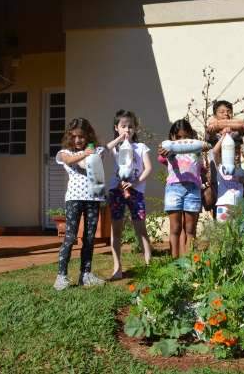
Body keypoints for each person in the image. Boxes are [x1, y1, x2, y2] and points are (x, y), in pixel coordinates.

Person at [53, 118, 106, 290]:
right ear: (69, 136)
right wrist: (85, 153)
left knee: (89, 238)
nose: (77, 140)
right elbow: (69, 160)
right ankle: (61, 276)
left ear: (88, 136)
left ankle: (86, 274)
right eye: (74, 136)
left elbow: (97, 158)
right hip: (74, 199)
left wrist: (90, 151)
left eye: (81, 137)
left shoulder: (96, 150)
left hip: (93, 199)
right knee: (70, 237)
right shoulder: (63, 153)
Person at [107, 110, 152, 280]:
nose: (127, 130)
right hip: (116, 191)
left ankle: (149, 264)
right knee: (116, 229)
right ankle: (117, 267)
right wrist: (120, 139)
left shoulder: (140, 147)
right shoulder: (115, 148)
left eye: (131, 126)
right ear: (116, 128)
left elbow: (148, 168)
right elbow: (104, 149)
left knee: (140, 228)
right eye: (123, 126)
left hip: (136, 191)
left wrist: (135, 182)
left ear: (135, 129)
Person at [157, 118, 204, 257]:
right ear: (172, 137)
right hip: (174, 189)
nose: (182, 140)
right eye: (178, 137)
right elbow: (161, 158)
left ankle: (189, 263)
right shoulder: (170, 150)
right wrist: (163, 150)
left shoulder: (196, 151)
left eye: (186, 137)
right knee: (175, 228)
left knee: (190, 229)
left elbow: (201, 167)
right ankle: (175, 263)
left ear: (191, 136)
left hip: (193, 190)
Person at [205, 100, 244, 214]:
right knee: (219, 205)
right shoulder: (212, 131)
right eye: (222, 112)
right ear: (215, 115)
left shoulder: (235, 132)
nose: (226, 114)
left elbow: (243, 131)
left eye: (229, 111)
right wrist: (216, 131)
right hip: (218, 175)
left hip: (235, 175)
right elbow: (208, 137)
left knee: (238, 204)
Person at [213, 130, 244, 222]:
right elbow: (214, 152)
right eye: (233, 154)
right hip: (224, 205)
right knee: (223, 231)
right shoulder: (220, 168)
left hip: (238, 206)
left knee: (237, 232)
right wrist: (223, 138)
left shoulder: (241, 171)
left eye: (237, 153)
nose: (236, 156)